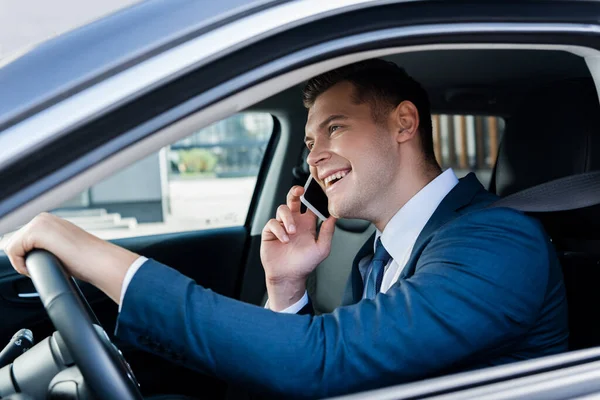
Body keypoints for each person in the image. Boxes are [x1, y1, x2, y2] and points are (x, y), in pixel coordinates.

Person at [3, 59, 568, 399]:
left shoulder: (498, 242)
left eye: (335, 128)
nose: (313, 156)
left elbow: (319, 363)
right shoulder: (380, 253)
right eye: (308, 141)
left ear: (403, 123)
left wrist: (92, 254)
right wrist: (286, 290)